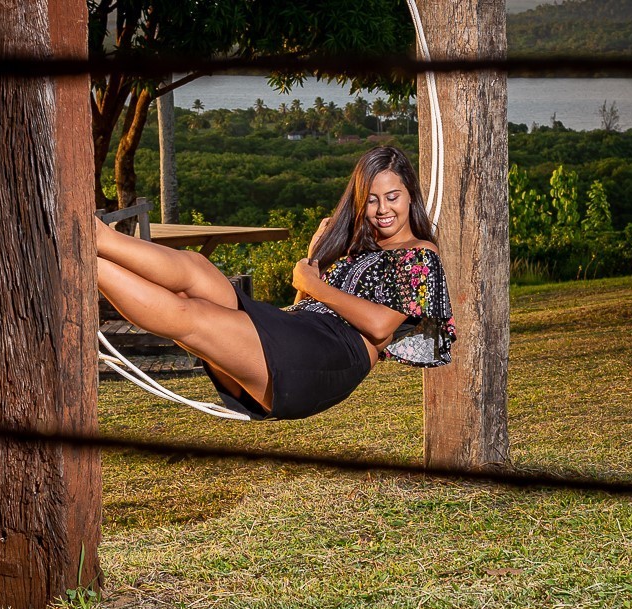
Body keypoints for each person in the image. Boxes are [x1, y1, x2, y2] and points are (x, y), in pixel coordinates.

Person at [95, 145, 455, 420]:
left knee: (191, 314)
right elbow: (305, 305)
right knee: (197, 269)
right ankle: (97, 238)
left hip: (330, 356)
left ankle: (87, 262)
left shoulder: (420, 254)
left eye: (392, 197)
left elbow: (380, 326)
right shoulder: (357, 248)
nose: (382, 209)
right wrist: (313, 262)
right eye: (372, 200)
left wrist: (312, 282)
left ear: (410, 194)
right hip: (300, 331)